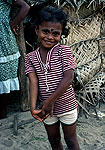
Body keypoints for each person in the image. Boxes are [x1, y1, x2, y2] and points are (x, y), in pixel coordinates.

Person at [25, 6, 79, 150]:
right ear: (37, 30)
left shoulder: (63, 51)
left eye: (55, 33)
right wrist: (32, 108)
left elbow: (69, 77)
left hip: (67, 106)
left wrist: (49, 101)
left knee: (71, 140)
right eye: (45, 31)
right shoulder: (30, 57)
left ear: (61, 34)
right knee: (54, 140)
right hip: (46, 110)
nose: (50, 37)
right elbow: (33, 81)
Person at [0, 0, 30, 119]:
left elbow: (25, 7)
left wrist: (12, 24)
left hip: (3, 40)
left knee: (4, 76)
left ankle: (2, 110)